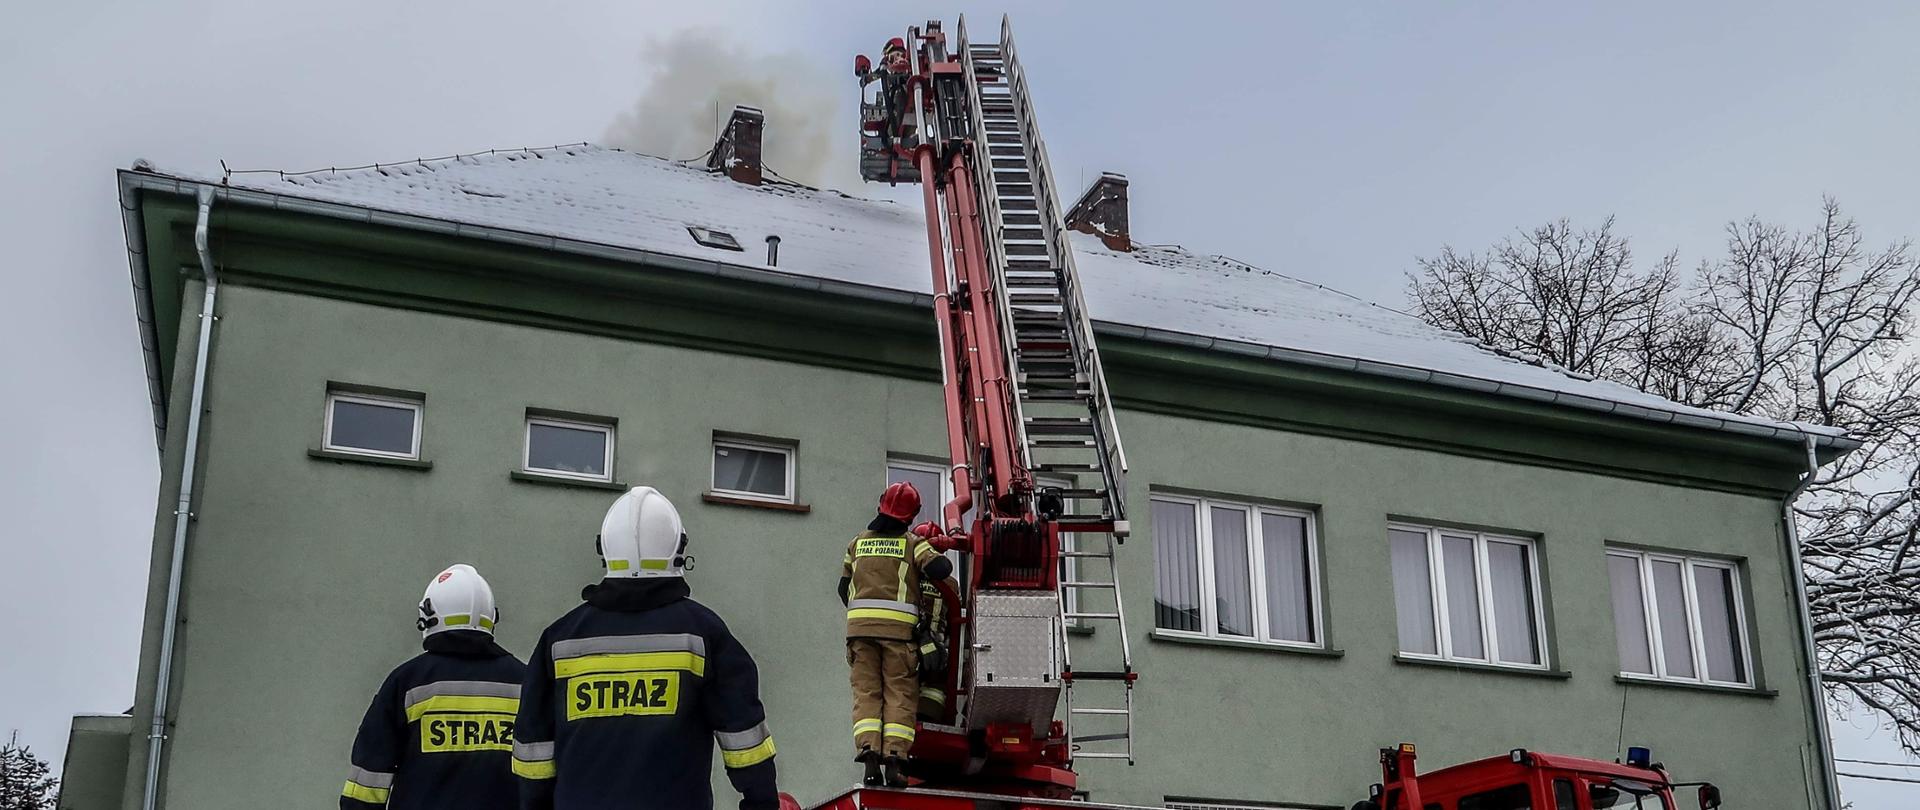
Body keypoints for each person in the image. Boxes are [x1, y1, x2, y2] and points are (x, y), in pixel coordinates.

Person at [514, 486, 780, 810]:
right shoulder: (704, 634)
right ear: (678, 548)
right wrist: (760, 801)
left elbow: (533, 757)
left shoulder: (559, 640)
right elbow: (746, 743)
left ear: (605, 549)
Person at [341, 564, 526, 810]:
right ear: (491, 617)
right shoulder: (525, 681)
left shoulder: (406, 683)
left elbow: (368, 782)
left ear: (428, 615)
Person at [839, 482, 953, 786]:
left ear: (880, 505)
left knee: (867, 695)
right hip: (899, 638)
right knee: (898, 695)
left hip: (859, 635)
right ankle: (894, 760)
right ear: (911, 515)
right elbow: (941, 568)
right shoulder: (912, 543)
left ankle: (869, 756)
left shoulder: (856, 543)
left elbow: (843, 589)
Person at [910, 522, 956, 723]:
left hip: (908, 644)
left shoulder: (907, 576)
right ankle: (930, 719)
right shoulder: (951, 584)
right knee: (935, 688)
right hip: (938, 652)